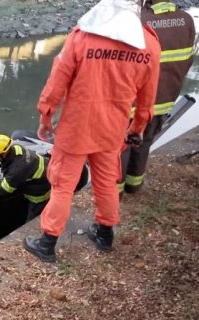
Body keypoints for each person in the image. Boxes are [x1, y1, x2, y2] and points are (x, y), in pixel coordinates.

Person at [23, 0, 161, 263]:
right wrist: (138, 127)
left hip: (77, 127)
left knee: (63, 185)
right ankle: (105, 233)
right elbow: (148, 96)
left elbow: (58, 79)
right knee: (107, 181)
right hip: (112, 128)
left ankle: (47, 243)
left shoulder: (83, 35)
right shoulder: (149, 44)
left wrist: (46, 114)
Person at [119, 0, 196, 194]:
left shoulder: (139, 19)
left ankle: (115, 192)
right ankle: (133, 185)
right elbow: (188, 61)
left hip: (135, 102)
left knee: (121, 146)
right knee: (144, 142)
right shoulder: (186, 20)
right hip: (164, 99)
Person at [0, 134, 51, 221]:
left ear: (3, 153)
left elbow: (4, 189)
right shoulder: (14, 148)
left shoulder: (17, 169)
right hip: (40, 174)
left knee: (34, 216)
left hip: (39, 190)